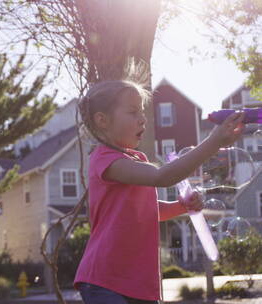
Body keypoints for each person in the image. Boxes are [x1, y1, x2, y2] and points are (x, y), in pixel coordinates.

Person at [73, 80, 245, 304]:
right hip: (105, 279)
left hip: (138, 282)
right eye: (133, 112)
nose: (142, 118)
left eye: (142, 111)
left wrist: (181, 205)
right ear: (102, 120)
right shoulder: (105, 160)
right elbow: (162, 177)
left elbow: (148, 211)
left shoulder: (138, 159)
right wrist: (214, 142)